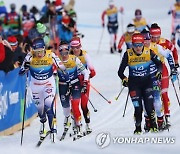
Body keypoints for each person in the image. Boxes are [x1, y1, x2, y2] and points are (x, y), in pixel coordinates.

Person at [19, 38, 68, 143]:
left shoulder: (51, 55)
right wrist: (25, 67)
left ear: (44, 49)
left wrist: (66, 75)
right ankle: (43, 122)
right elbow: (21, 72)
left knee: (48, 107)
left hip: (48, 84)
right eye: (37, 52)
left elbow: (62, 67)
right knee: (41, 111)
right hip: (35, 86)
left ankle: (53, 130)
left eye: (41, 51)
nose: (39, 54)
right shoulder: (29, 56)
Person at [118, 33, 162, 134]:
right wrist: (124, 79)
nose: (138, 48)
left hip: (147, 83)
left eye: (140, 45)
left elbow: (159, 64)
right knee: (138, 108)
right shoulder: (127, 54)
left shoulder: (149, 52)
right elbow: (120, 72)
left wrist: (159, 72)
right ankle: (138, 127)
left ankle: (153, 125)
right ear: (132, 45)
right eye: (135, 45)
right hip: (134, 85)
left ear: (143, 44)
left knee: (149, 106)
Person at [141, 29, 176, 131]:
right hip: (145, 77)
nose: (146, 42)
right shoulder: (138, 49)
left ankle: (163, 119)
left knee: (160, 96)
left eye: (147, 39)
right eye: (144, 40)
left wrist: (173, 68)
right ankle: (148, 121)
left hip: (158, 75)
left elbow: (168, 55)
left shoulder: (156, 47)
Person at [149, 23, 179, 127]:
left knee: (164, 94)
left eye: (158, 37)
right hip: (150, 72)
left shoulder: (164, 42)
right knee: (152, 96)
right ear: (150, 35)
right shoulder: (147, 44)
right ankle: (153, 119)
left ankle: (167, 116)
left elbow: (173, 50)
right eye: (153, 37)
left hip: (162, 70)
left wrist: (175, 65)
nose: (156, 39)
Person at [57, 41, 89, 138]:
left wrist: (85, 83)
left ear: (68, 51)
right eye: (62, 53)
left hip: (75, 84)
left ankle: (78, 126)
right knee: (66, 108)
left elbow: (86, 72)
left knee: (75, 105)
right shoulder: (56, 60)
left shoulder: (74, 59)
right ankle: (68, 119)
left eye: (66, 52)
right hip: (63, 85)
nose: (64, 55)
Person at [70, 37, 96, 133]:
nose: (75, 49)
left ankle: (88, 124)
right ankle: (76, 125)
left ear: (80, 46)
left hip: (84, 82)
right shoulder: (69, 56)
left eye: (77, 47)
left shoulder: (85, 55)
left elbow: (93, 71)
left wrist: (87, 77)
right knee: (74, 105)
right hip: (73, 83)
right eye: (73, 47)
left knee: (84, 105)